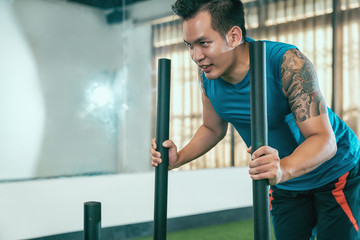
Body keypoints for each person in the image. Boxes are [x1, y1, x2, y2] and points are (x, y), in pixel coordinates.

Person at [150, 0, 360, 239]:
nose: (196, 56)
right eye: (190, 45)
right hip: (284, 182)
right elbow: (212, 127)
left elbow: (324, 140)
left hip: (334, 172)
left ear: (234, 35)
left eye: (203, 43)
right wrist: (179, 158)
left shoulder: (288, 62)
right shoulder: (208, 75)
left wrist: (282, 168)